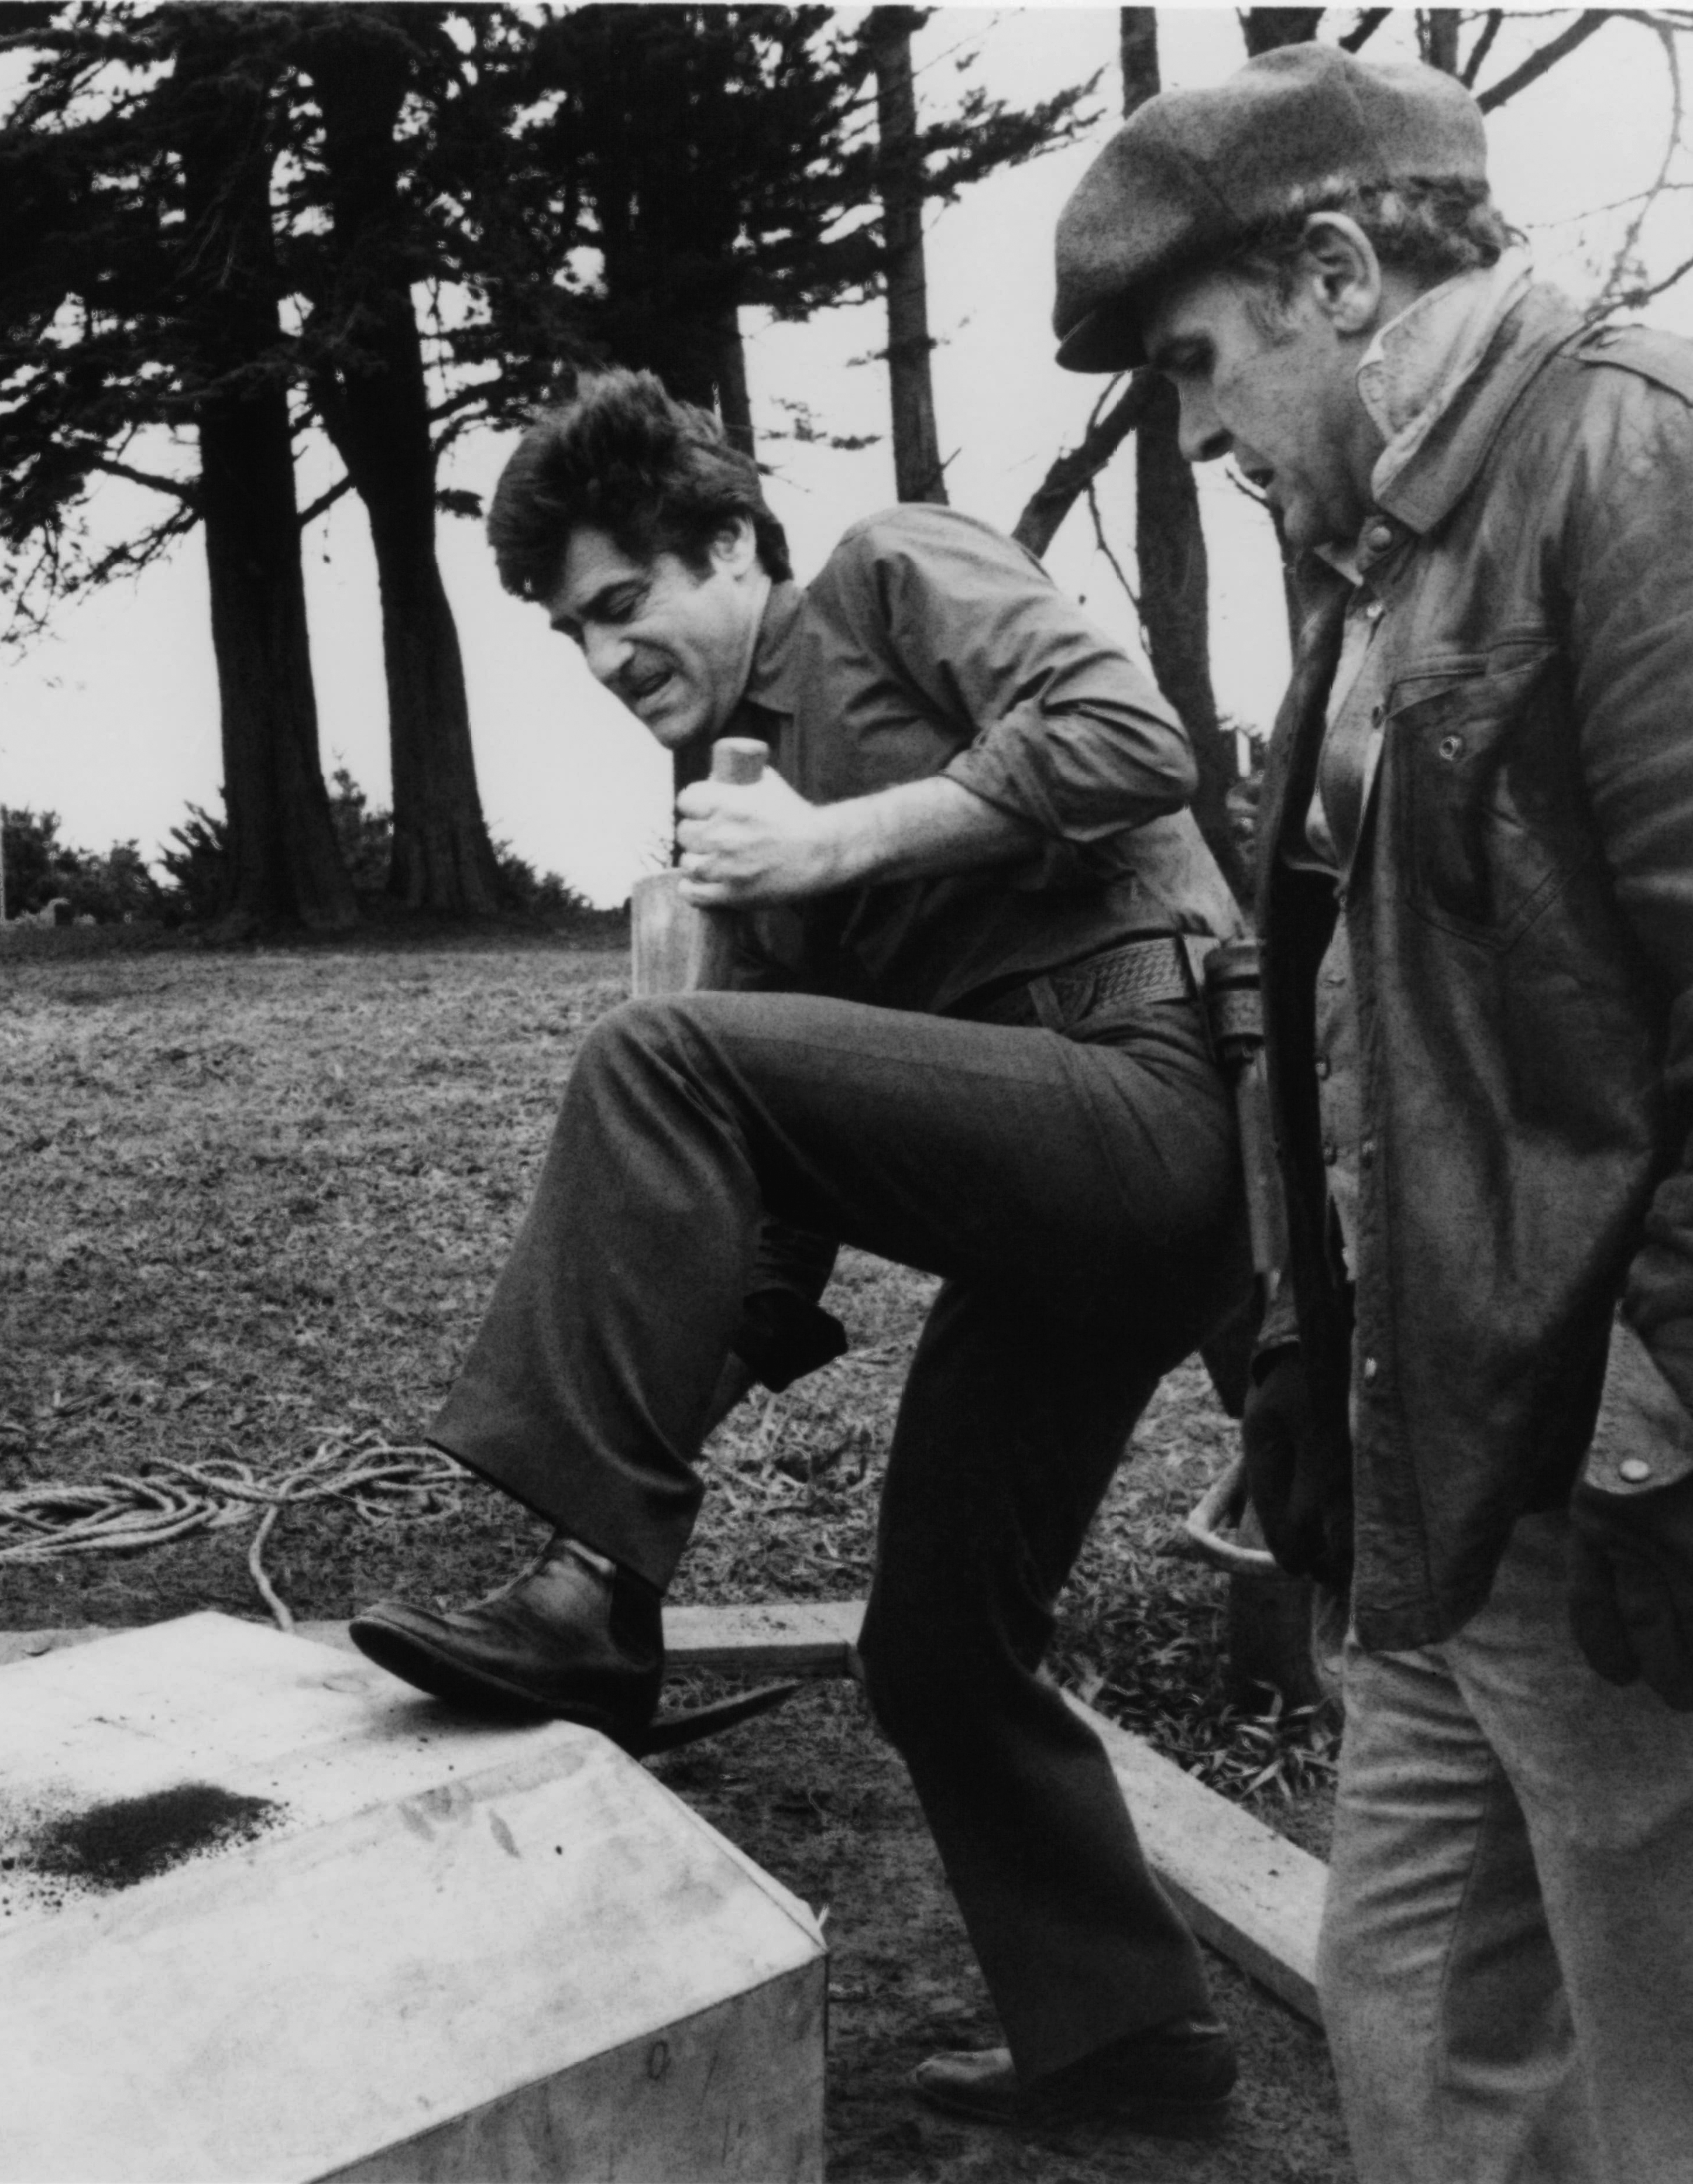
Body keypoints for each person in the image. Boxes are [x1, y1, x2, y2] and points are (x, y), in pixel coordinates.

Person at [1050, 43, 1693, 2184]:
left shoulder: (1673, 455)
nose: (1196, 431)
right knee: (1432, 2041)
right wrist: (1300, 1365)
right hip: (1462, 1481)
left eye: (1195, 364)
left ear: (1337, 271)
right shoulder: (1378, 571)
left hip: (1681, 1484)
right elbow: (1368, 1020)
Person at [348, 367, 1254, 2134]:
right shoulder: (724, 795)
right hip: (1045, 1229)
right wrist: (692, 1362)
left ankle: (600, 1603)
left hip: (1155, 1108)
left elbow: (1133, 741)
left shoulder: (887, 574)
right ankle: (1125, 2034)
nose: (608, 658)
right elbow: (762, 1195)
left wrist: (828, 841)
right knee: (933, 1644)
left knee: (653, 1045)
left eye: (626, 603)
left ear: (733, 547)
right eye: (570, 635)